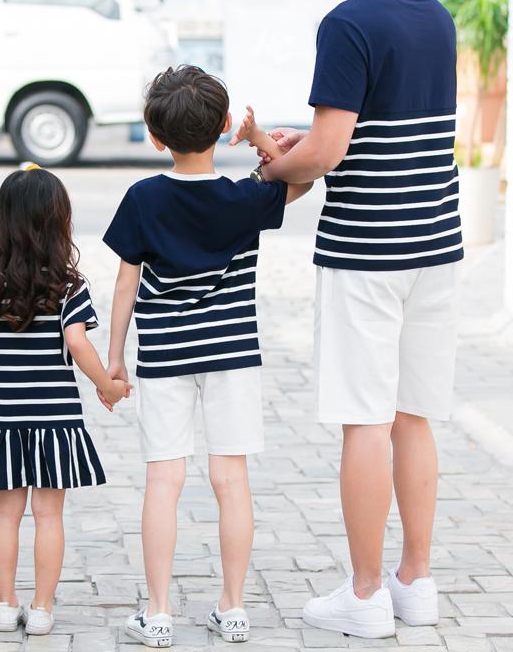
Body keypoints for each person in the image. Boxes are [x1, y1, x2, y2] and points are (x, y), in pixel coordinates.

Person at [244, 0, 462, 639]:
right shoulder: (434, 15)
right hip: (436, 247)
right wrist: (313, 145)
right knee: (415, 417)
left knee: (363, 420)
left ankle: (365, 595)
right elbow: (391, 132)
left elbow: (331, 151)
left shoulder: (347, 23)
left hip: (367, 251)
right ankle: (416, 582)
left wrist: (274, 164)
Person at [104, 66, 312, 647]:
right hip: (232, 354)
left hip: (165, 354)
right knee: (231, 479)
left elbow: (125, 284)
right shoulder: (244, 197)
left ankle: (160, 611)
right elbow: (298, 181)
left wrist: (115, 356)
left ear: (153, 134)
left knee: (164, 480)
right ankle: (234, 606)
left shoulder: (143, 198)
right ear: (223, 127)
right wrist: (261, 139)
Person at [0, 164, 132, 637]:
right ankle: (42, 608)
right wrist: (106, 387)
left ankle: (5, 605)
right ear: (58, 223)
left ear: (3, 224)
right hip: (56, 419)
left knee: (6, 513)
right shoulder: (69, 287)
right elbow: (78, 343)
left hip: (4, 417)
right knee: (49, 515)